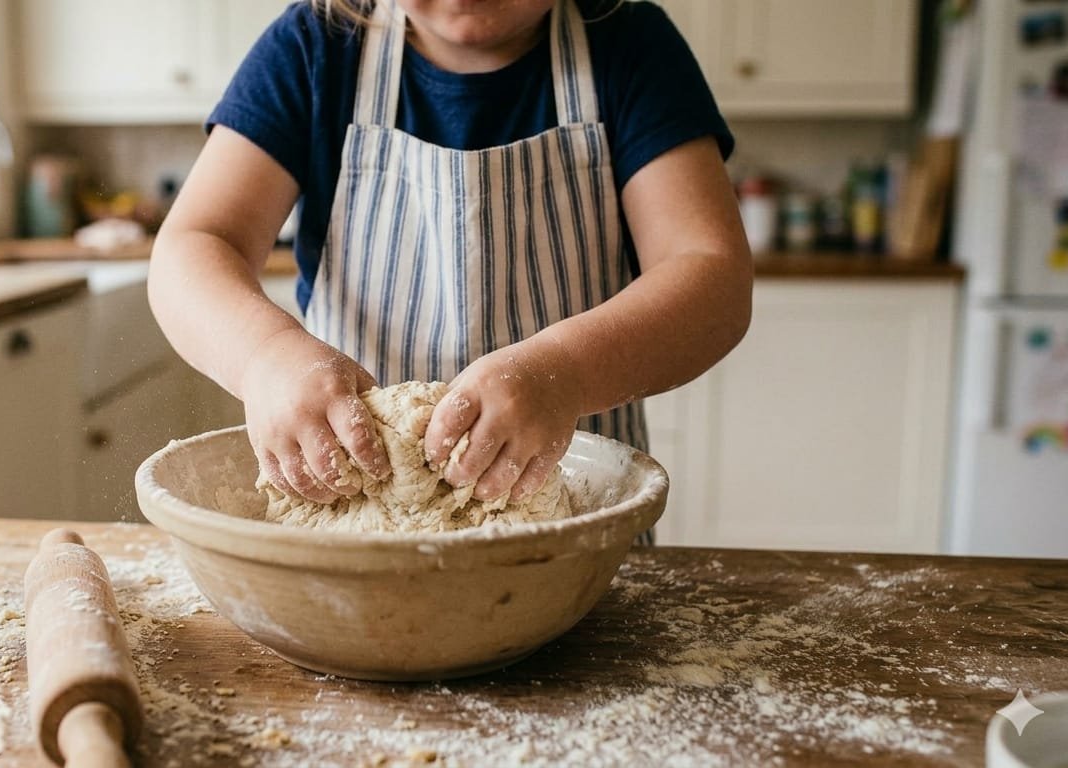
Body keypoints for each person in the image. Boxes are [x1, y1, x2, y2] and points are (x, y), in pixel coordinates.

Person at [148, 0, 752, 524]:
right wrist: (264, 358)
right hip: (355, 515)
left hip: (573, 514)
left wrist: (563, 373)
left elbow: (709, 272)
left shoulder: (627, 46)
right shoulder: (316, 47)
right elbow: (196, 243)